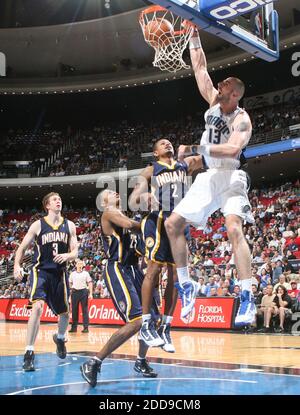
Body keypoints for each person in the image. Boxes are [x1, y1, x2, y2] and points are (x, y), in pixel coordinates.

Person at [165, 24, 256, 327]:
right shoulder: (213, 101)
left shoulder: (242, 119)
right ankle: (186, 285)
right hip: (208, 175)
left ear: (234, 94)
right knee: (172, 223)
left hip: (231, 177)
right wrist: (193, 34)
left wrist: (194, 148)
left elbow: (232, 150)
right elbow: (200, 67)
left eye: (225, 83)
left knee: (233, 228)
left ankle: (246, 295)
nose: (219, 82)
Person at [80, 190, 158, 388]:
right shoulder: (108, 213)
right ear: (103, 201)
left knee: (151, 318)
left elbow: (142, 249)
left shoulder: (128, 219)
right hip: (117, 268)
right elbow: (130, 225)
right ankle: (94, 362)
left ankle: (140, 361)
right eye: (109, 192)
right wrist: (156, 222)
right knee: (137, 319)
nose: (115, 191)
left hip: (134, 270)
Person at [129, 138, 202, 347]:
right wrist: (145, 198)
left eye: (169, 143)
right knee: (154, 270)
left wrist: (193, 149)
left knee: (175, 277)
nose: (167, 145)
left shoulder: (185, 164)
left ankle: (166, 326)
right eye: (162, 144)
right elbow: (133, 201)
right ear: (155, 153)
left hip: (179, 221)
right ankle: (145, 324)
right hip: (158, 221)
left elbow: (210, 156)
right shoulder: (151, 170)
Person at [13, 192, 78, 371]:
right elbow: (22, 247)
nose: (59, 201)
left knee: (65, 313)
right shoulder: (38, 225)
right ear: (47, 206)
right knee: (37, 307)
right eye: (55, 200)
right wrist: (16, 266)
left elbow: (76, 252)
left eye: (60, 199)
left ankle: (59, 338)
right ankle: (29, 352)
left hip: (59, 273)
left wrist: (68, 255)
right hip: (40, 271)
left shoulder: (69, 225)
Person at [69, 260, 93, 333]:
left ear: (83, 265)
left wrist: (91, 293)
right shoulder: (72, 274)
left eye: (81, 263)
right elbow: (70, 283)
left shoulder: (86, 273)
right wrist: (71, 291)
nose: (79, 264)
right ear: (75, 265)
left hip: (83, 292)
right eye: (78, 263)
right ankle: (74, 327)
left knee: (85, 310)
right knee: (74, 310)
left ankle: (86, 327)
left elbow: (90, 283)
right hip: (75, 292)